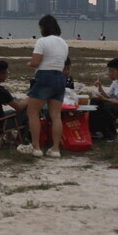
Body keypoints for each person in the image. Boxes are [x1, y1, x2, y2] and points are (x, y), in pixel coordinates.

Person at [20, 14, 69, 158]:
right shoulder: (64, 43)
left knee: (32, 112)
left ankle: (36, 147)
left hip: (45, 76)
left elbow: (36, 62)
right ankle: (55, 149)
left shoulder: (42, 41)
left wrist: (29, 64)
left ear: (43, 28)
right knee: (56, 115)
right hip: (60, 78)